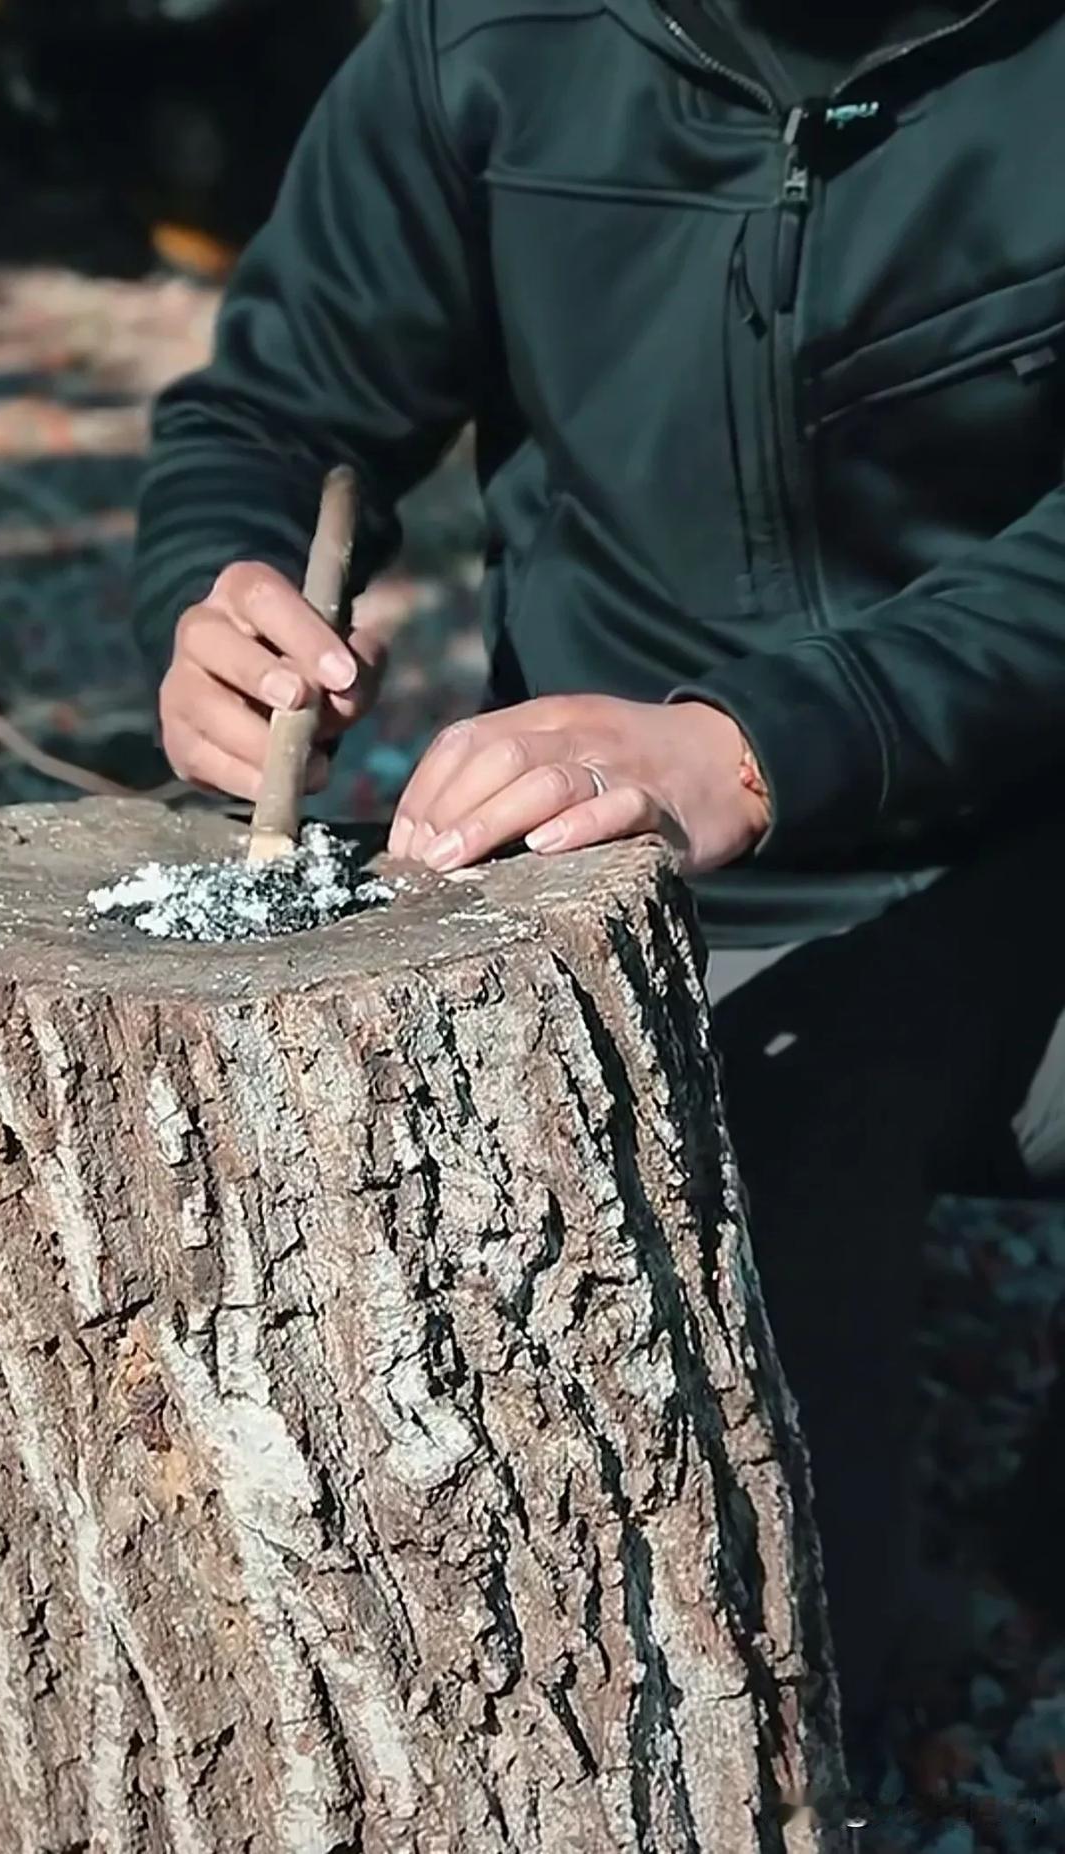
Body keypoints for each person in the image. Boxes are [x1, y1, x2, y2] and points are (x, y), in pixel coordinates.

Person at [133, 0, 1065, 1812]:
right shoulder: (477, 39)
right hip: (631, 909)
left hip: (1022, 850)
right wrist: (213, 585)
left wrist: (763, 737)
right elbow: (282, 402)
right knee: (776, 1675)